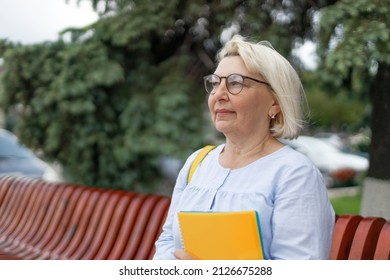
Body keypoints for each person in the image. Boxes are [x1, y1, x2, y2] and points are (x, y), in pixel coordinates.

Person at [153, 35, 335, 260]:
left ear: (275, 103)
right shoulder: (197, 163)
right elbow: (169, 239)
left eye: (235, 83)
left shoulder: (295, 174)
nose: (218, 95)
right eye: (215, 83)